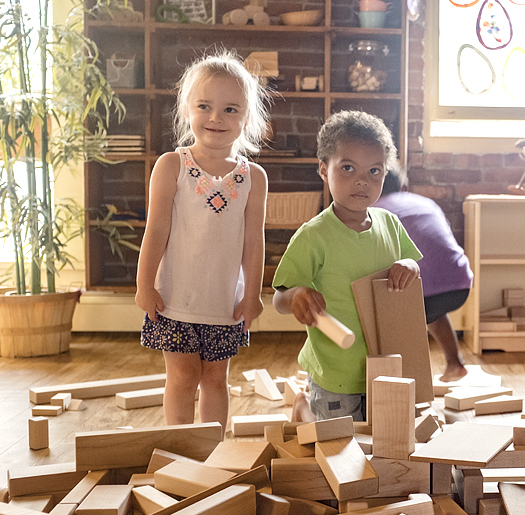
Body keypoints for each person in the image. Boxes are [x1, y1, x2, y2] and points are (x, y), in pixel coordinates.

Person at [135, 51, 269, 434]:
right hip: (175, 298)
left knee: (215, 378)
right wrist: (144, 284)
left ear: (247, 118)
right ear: (187, 110)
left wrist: (252, 294)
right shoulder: (171, 165)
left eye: (230, 109)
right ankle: (180, 443)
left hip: (225, 302)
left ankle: (211, 450)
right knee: (181, 377)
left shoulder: (253, 177)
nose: (216, 118)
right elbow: (156, 230)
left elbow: (253, 242)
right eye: (205, 106)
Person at [273, 110, 422, 422]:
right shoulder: (313, 236)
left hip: (385, 361)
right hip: (335, 369)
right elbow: (280, 298)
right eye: (348, 167)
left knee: (382, 442)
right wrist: (297, 294)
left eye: (374, 171)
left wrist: (409, 266)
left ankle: (307, 407)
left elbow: (411, 265)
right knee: (337, 448)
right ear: (324, 170)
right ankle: (303, 406)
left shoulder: (390, 224)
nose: (361, 180)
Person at [375, 166, 473, 381]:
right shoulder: (425, 203)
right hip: (459, 283)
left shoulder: (373, 211)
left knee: (391, 316)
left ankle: (405, 379)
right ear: (404, 187)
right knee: (433, 312)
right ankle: (454, 364)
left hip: (422, 291)